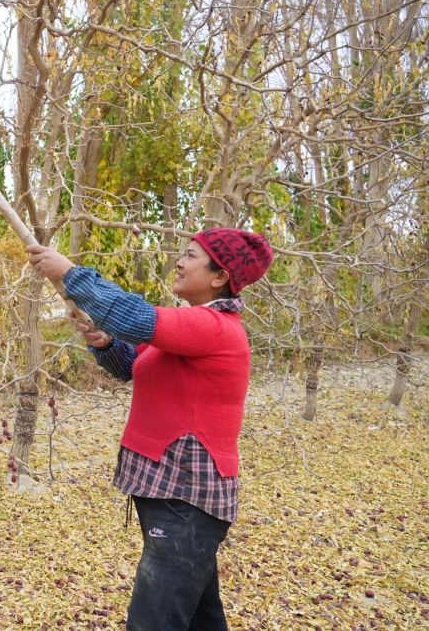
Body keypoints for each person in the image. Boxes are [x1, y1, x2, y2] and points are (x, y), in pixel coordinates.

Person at [26, 228, 273, 631]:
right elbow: (131, 365)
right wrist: (105, 342)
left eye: (191, 256)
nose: (179, 261)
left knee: (153, 622)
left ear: (219, 277)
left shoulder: (213, 326)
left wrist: (70, 273)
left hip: (186, 501)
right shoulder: (189, 329)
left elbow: (135, 317)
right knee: (200, 618)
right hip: (173, 495)